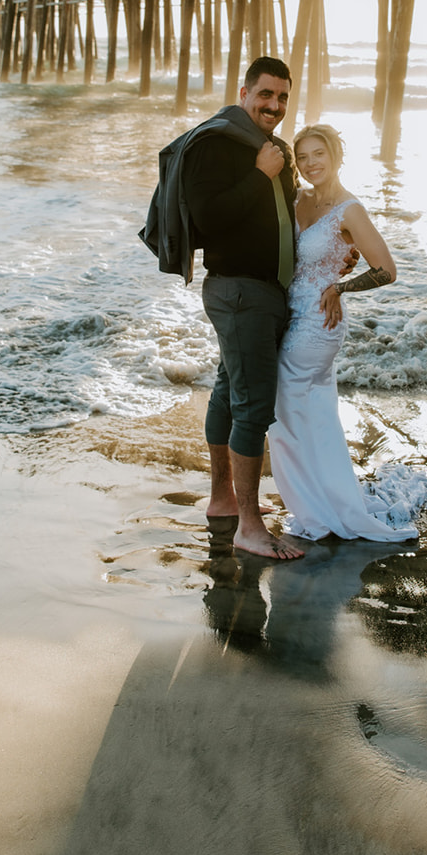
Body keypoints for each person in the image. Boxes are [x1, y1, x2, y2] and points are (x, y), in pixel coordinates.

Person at [267, 123, 427, 541]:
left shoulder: (350, 210)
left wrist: (341, 285)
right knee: (314, 418)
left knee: (284, 416)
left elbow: (387, 269)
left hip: (318, 324)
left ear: (335, 157)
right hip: (289, 315)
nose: (310, 164)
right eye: (302, 157)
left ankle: (315, 511)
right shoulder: (296, 199)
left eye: (318, 155)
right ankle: (325, 498)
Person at [182, 57, 305, 560]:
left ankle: (222, 501)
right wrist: (258, 175)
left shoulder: (276, 150)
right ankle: (250, 527)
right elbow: (207, 219)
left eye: (282, 98)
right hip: (239, 290)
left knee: (229, 391)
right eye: (265, 94)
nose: (273, 106)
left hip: (263, 292)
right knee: (253, 408)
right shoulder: (217, 144)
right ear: (244, 91)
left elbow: (286, 220)